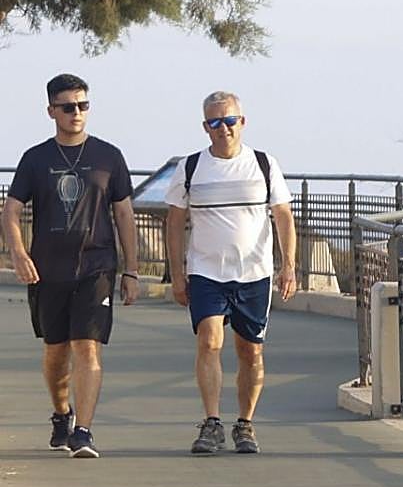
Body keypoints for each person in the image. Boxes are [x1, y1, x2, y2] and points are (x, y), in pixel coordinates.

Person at [0, 74, 140, 458]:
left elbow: (125, 215)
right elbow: (11, 210)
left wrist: (131, 271)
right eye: (67, 107)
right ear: (51, 111)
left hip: (97, 266)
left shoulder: (109, 156)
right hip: (48, 270)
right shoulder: (35, 158)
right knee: (56, 351)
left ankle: (84, 430)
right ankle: (62, 413)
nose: (76, 113)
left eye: (82, 105)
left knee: (87, 346)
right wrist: (18, 253)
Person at [165, 91, 296, 455]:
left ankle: (245, 423)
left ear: (242, 121)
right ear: (205, 127)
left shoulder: (264, 164)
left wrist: (288, 267)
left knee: (249, 351)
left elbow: (283, 216)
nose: (223, 129)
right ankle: (211, 422)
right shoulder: (190, 168)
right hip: (206, 272)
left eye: (229, 120)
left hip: (253, 272)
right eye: (214, 122)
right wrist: (177, 274)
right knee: (209, 341)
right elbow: (175, 222)